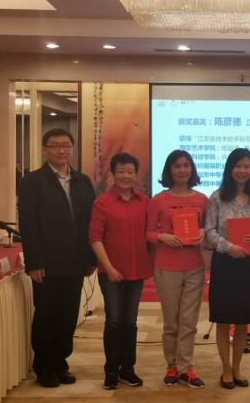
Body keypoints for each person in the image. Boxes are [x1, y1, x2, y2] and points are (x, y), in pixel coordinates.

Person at [18, 128, 96, 387]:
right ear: (45, 149)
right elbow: (28, 224)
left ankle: (61, 362)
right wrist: (34, 263)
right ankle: (44, 366)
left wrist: (90, 258)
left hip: (75, 262)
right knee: (46, 315)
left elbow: (91, 222)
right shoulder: (33, 181)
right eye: (55, 145)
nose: (61, 150)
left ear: (72, 149)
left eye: (66, 145)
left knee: (68, 315)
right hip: (47, 263)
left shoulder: (83, 181)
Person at [89, 153, 152, 390]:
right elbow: (95, 238)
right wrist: (109, 268)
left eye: (130, 172)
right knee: (114, 321)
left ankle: (128, 369)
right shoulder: (102, 202)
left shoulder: (145, 202)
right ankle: (111, 371)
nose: (126, 176)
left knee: (130, 322)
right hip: (111, 273)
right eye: (121, 171)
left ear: (136, 175)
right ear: (113, 174)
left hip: (136, 271)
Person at [146, 150, 207, 388]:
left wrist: (202, 232)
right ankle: (171, 365)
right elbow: (148, 233)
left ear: (192, 169)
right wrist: (163, 237)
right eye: (177, 166)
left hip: (194, 266)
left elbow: (208, 228)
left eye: (186, 165)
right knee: (171, 322)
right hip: (167, 266)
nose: (182, 170)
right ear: (169, 170)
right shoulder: (158, 200)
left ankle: (185, 366)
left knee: (189, 321)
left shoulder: (202, 199)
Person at [205, 148, 250, 389]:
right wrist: (229, 247)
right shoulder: (216, 197)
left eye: (246, 166)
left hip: (247, 264)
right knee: (223, 318)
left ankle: (237, 368)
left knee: (242, 320)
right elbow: (209, 231)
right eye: (238, 166)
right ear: (230, 169)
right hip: (224, 263)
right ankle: (226, 370)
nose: (242, 171)